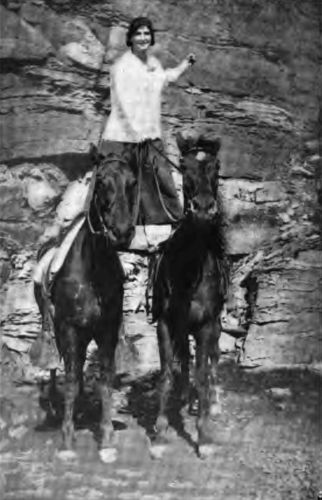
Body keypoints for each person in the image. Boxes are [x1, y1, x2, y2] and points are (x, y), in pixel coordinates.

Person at [99, 16, 196, 233]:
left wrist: (184, 65)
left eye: (146, 33)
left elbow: (165, 78)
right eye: (138, 33)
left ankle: (170, 230)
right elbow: (121, 103)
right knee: (126, 186)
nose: (143, 38)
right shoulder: (122, 66)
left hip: (150, 137)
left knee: (162, 179)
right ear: (130, 38)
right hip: (122, 140)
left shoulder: (153, 63)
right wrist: (136, 132)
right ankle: (120, 235)